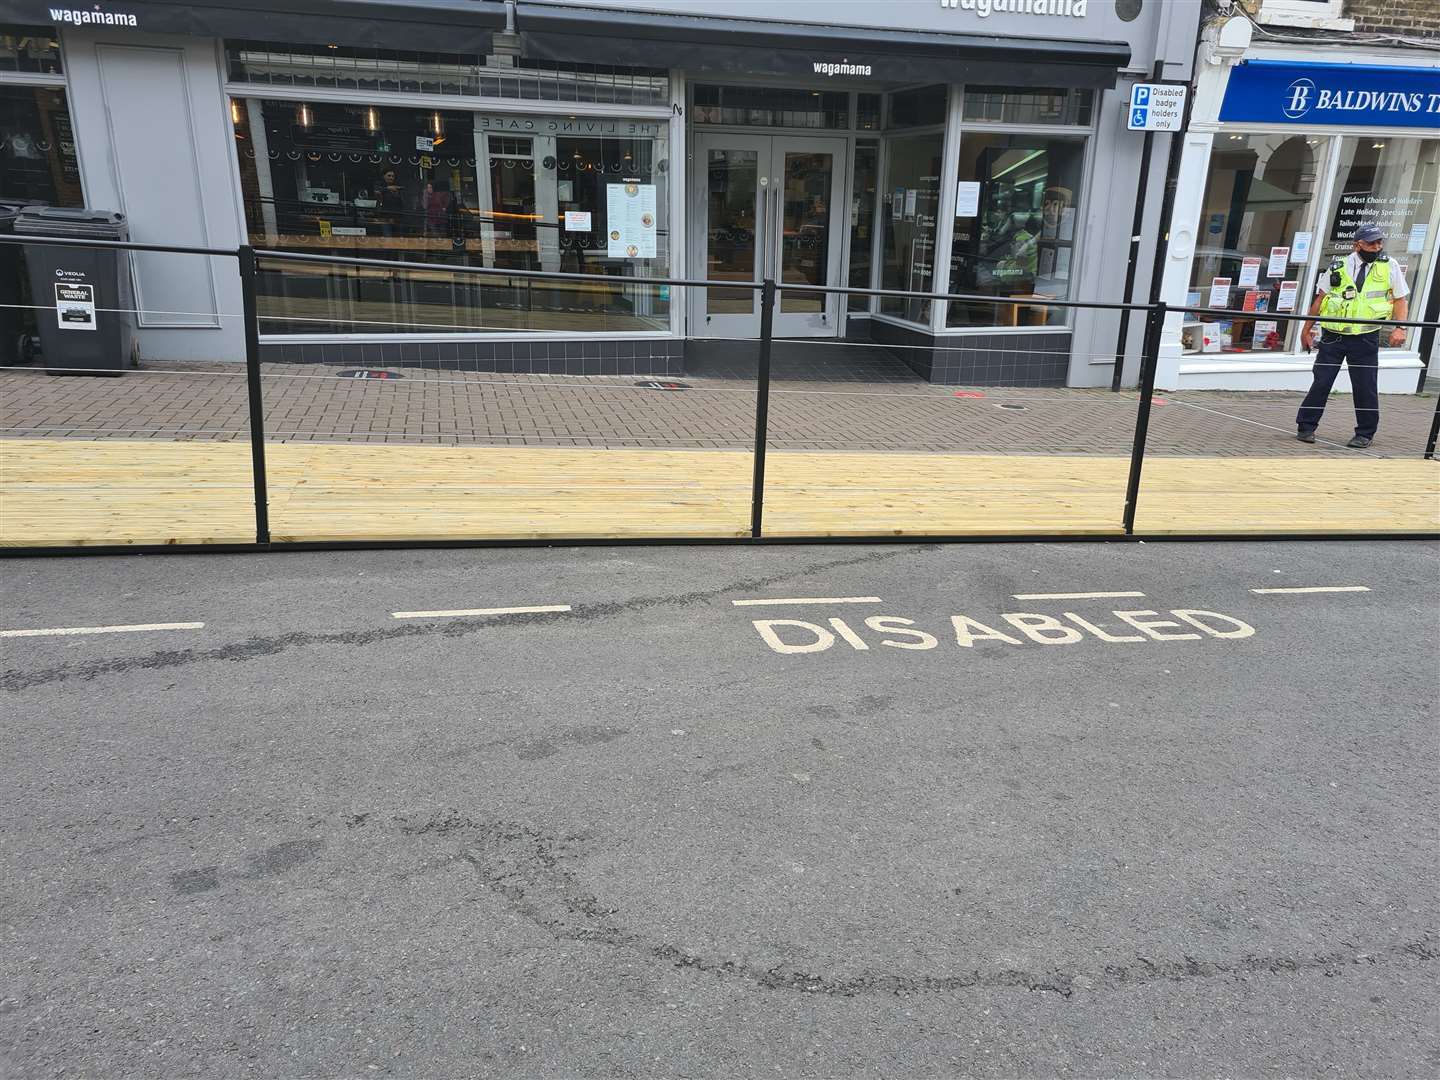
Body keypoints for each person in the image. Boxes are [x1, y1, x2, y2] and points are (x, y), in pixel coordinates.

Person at [1296, 223, 1409, 448]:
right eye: (1371, 243)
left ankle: (1365, 433)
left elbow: (1400, 299)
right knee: (1322, 382)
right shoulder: (1338, 266)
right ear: (1358, 245)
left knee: (1365, 385)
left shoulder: (1389, 266)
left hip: (1365, 337)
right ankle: (1306, 427)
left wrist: (1400, 328)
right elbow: (1320, 300)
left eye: (1379, 242)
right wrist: (1306, 329)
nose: (1377, 247)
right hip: (1333, 336)